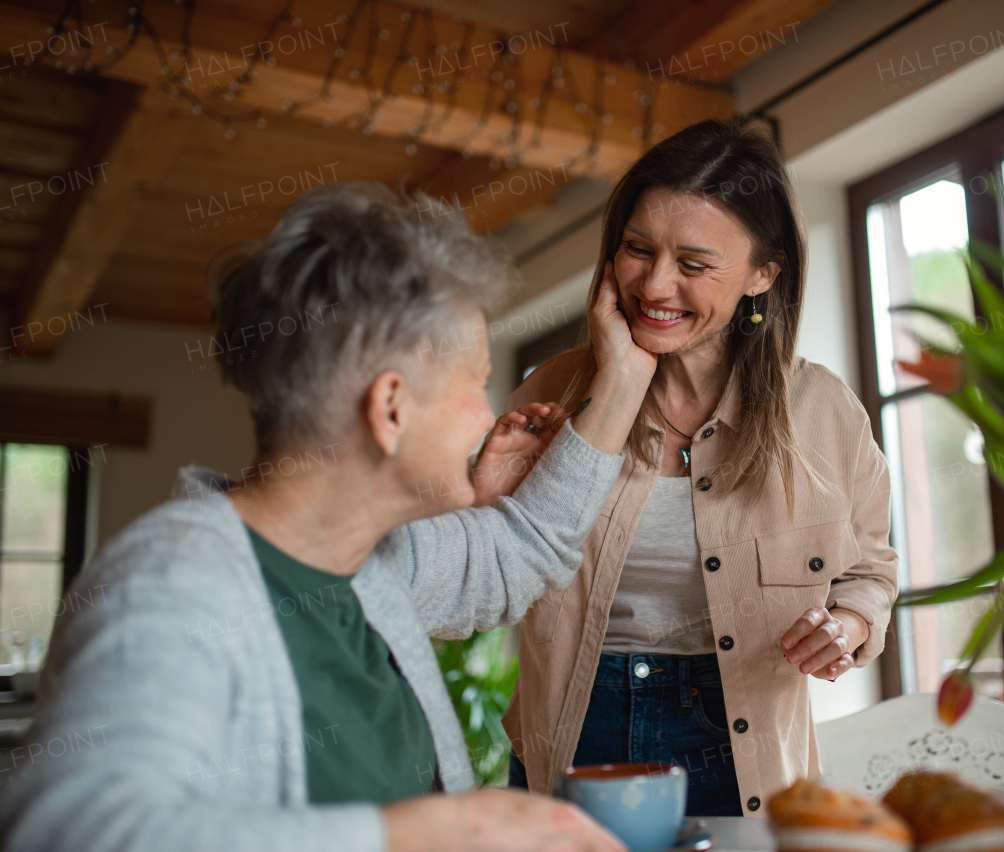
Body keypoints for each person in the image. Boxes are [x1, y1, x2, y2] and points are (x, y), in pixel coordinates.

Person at [0, 183, 657, 852]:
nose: (487, 417)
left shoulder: (373, 564)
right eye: (475, 383)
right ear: (391, 408)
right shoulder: (171, 585)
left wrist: (626, 380)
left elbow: (521, 545)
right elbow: (66, 832)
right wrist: (422, 834)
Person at [503, 118, 899, 816]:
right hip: (575, 724)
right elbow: (483, 567)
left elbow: (869, 570)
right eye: (636, 250)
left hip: (745, 737)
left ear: (761, 274)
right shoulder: (549, 396)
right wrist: (613, 382)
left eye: (693, 264)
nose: (655, 285)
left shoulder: (823, 411)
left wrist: (847, 625)